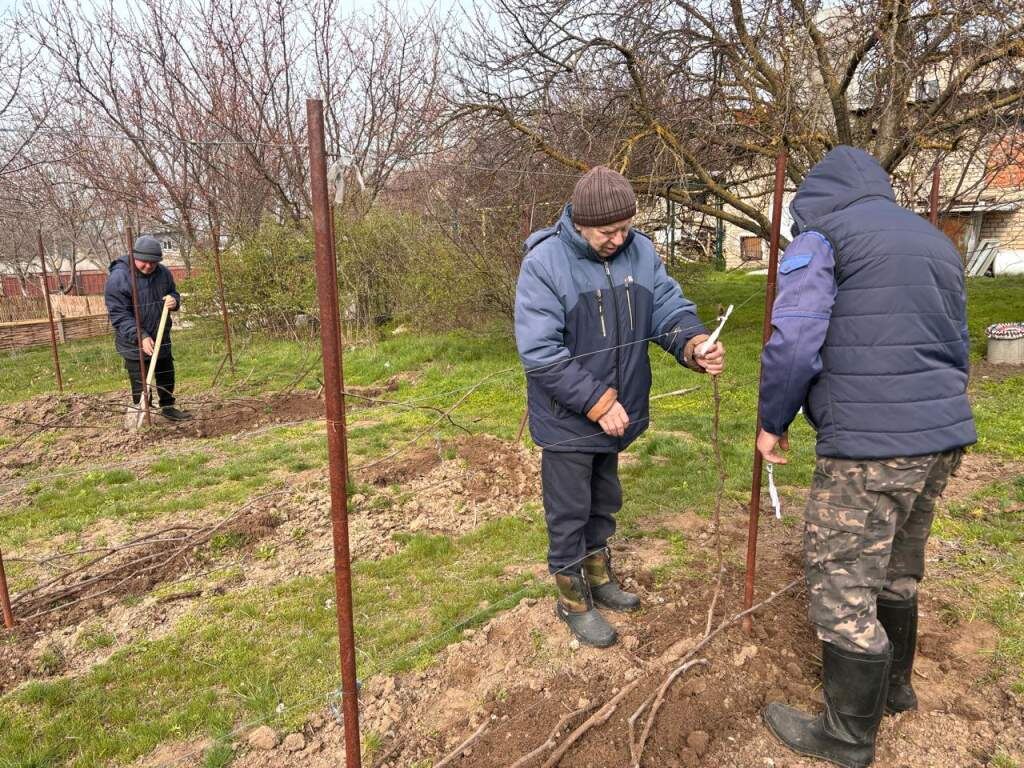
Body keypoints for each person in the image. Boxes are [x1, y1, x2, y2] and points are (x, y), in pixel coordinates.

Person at [756, 146, 976, 768]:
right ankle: (896, 689)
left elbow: (794, 340)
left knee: (842, 576)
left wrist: (774, 421)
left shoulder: (822, 240)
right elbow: (957, 342)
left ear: (814, 199)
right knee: (899, 565)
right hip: (940, 434)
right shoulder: (934, 241)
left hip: (868, 445)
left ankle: (847, 736)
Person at [514, 165, 725, 648]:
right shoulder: (545, 264)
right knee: (569, 511)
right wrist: (596, 401)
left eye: (626, 227)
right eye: (608, 231)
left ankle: (599, 575)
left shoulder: (642, 252)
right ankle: (572, 599)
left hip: (617, 413)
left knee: (603, 501)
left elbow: (666, 309)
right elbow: (540, 353)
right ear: (580, 223)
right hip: (569, 418)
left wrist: (693, 344)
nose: (619, 238)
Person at [104, 235, 192, 422]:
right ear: (134, 256)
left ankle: (168, 407)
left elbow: (173, 293)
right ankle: (144, 412)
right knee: (140, 379)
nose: (149, 266)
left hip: (160, 335)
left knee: (165, 373)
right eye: (144, 262)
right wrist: (141, 336)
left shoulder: (163, 274)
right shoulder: (119, 278)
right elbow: (119, 315)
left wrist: (174, 300)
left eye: (153, 262)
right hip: (133, 339)